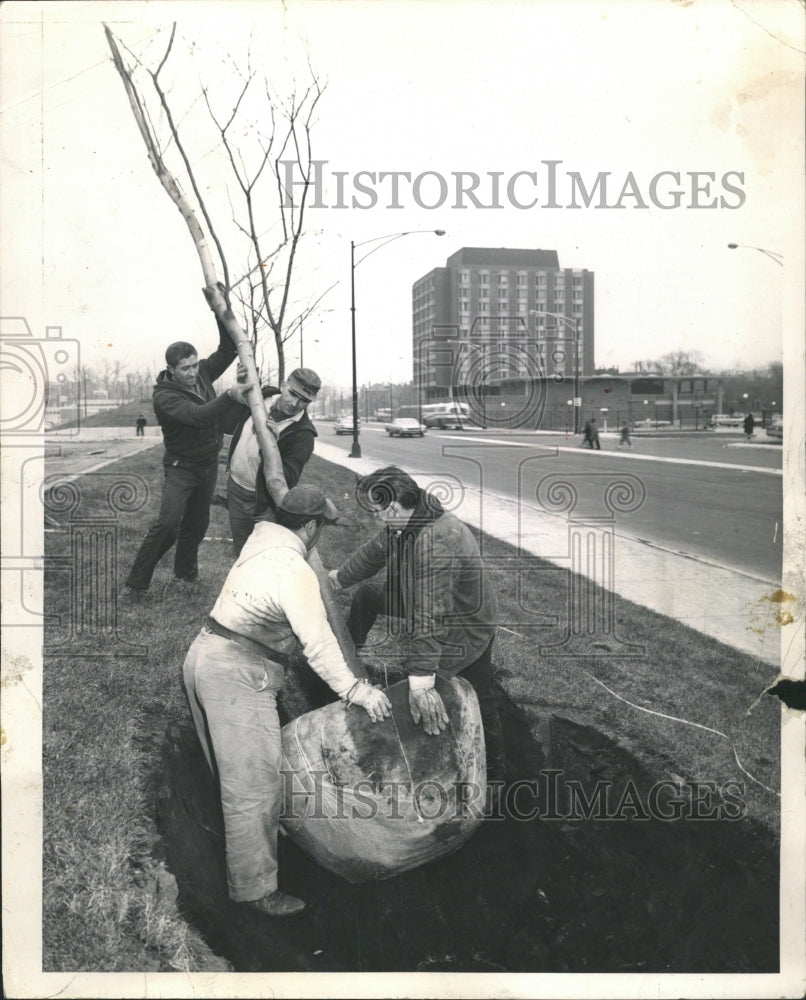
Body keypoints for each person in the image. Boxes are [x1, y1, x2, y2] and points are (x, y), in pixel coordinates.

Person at [182, 484, 391, 917]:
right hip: (238, 673)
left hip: (204, 655)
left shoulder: (260, 540)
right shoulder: (293, 570)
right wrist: (357, 690)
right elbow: (318, 646)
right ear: (311, 527)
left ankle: (253, 847)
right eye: (322, 527)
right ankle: (255, 891)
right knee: (254, 786)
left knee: (232, 773)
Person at [328, 465, 506, 783]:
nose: (374, 519)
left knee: (479, 696)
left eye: (376, 511)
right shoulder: (407, 519)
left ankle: (497, 775)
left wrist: (421, 681)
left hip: (465, 623)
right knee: (369, 595)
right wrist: (339, 579)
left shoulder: (437, 541)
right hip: (422, 596)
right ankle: (349, 662)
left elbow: (430, 617)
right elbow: (374, 552)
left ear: (393, 506)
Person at [124, 288, 246, 598]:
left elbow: (229, 349)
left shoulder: (203, 371)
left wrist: (218, 310)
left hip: (207, 465)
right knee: (167, 524)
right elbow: (199, 416)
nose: (193, 373)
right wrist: (231, 395)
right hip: (181, 468)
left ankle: (185, 575)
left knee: (198, 524)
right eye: (186, 368)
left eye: (194, 365)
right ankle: (136, 584)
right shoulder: (164, 396)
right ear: (172, 370)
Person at [225, 368, 321, 556]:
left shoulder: (304, 435)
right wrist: (238, 392)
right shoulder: (261, 397)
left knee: (261, 556)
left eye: (304, 400)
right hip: (235, 487)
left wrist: (271, 446)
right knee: (240, 551)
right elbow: (227, 424)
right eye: (292, 393)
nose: (295, 403)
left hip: (263, 504)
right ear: (283, 385)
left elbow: (287, 480)